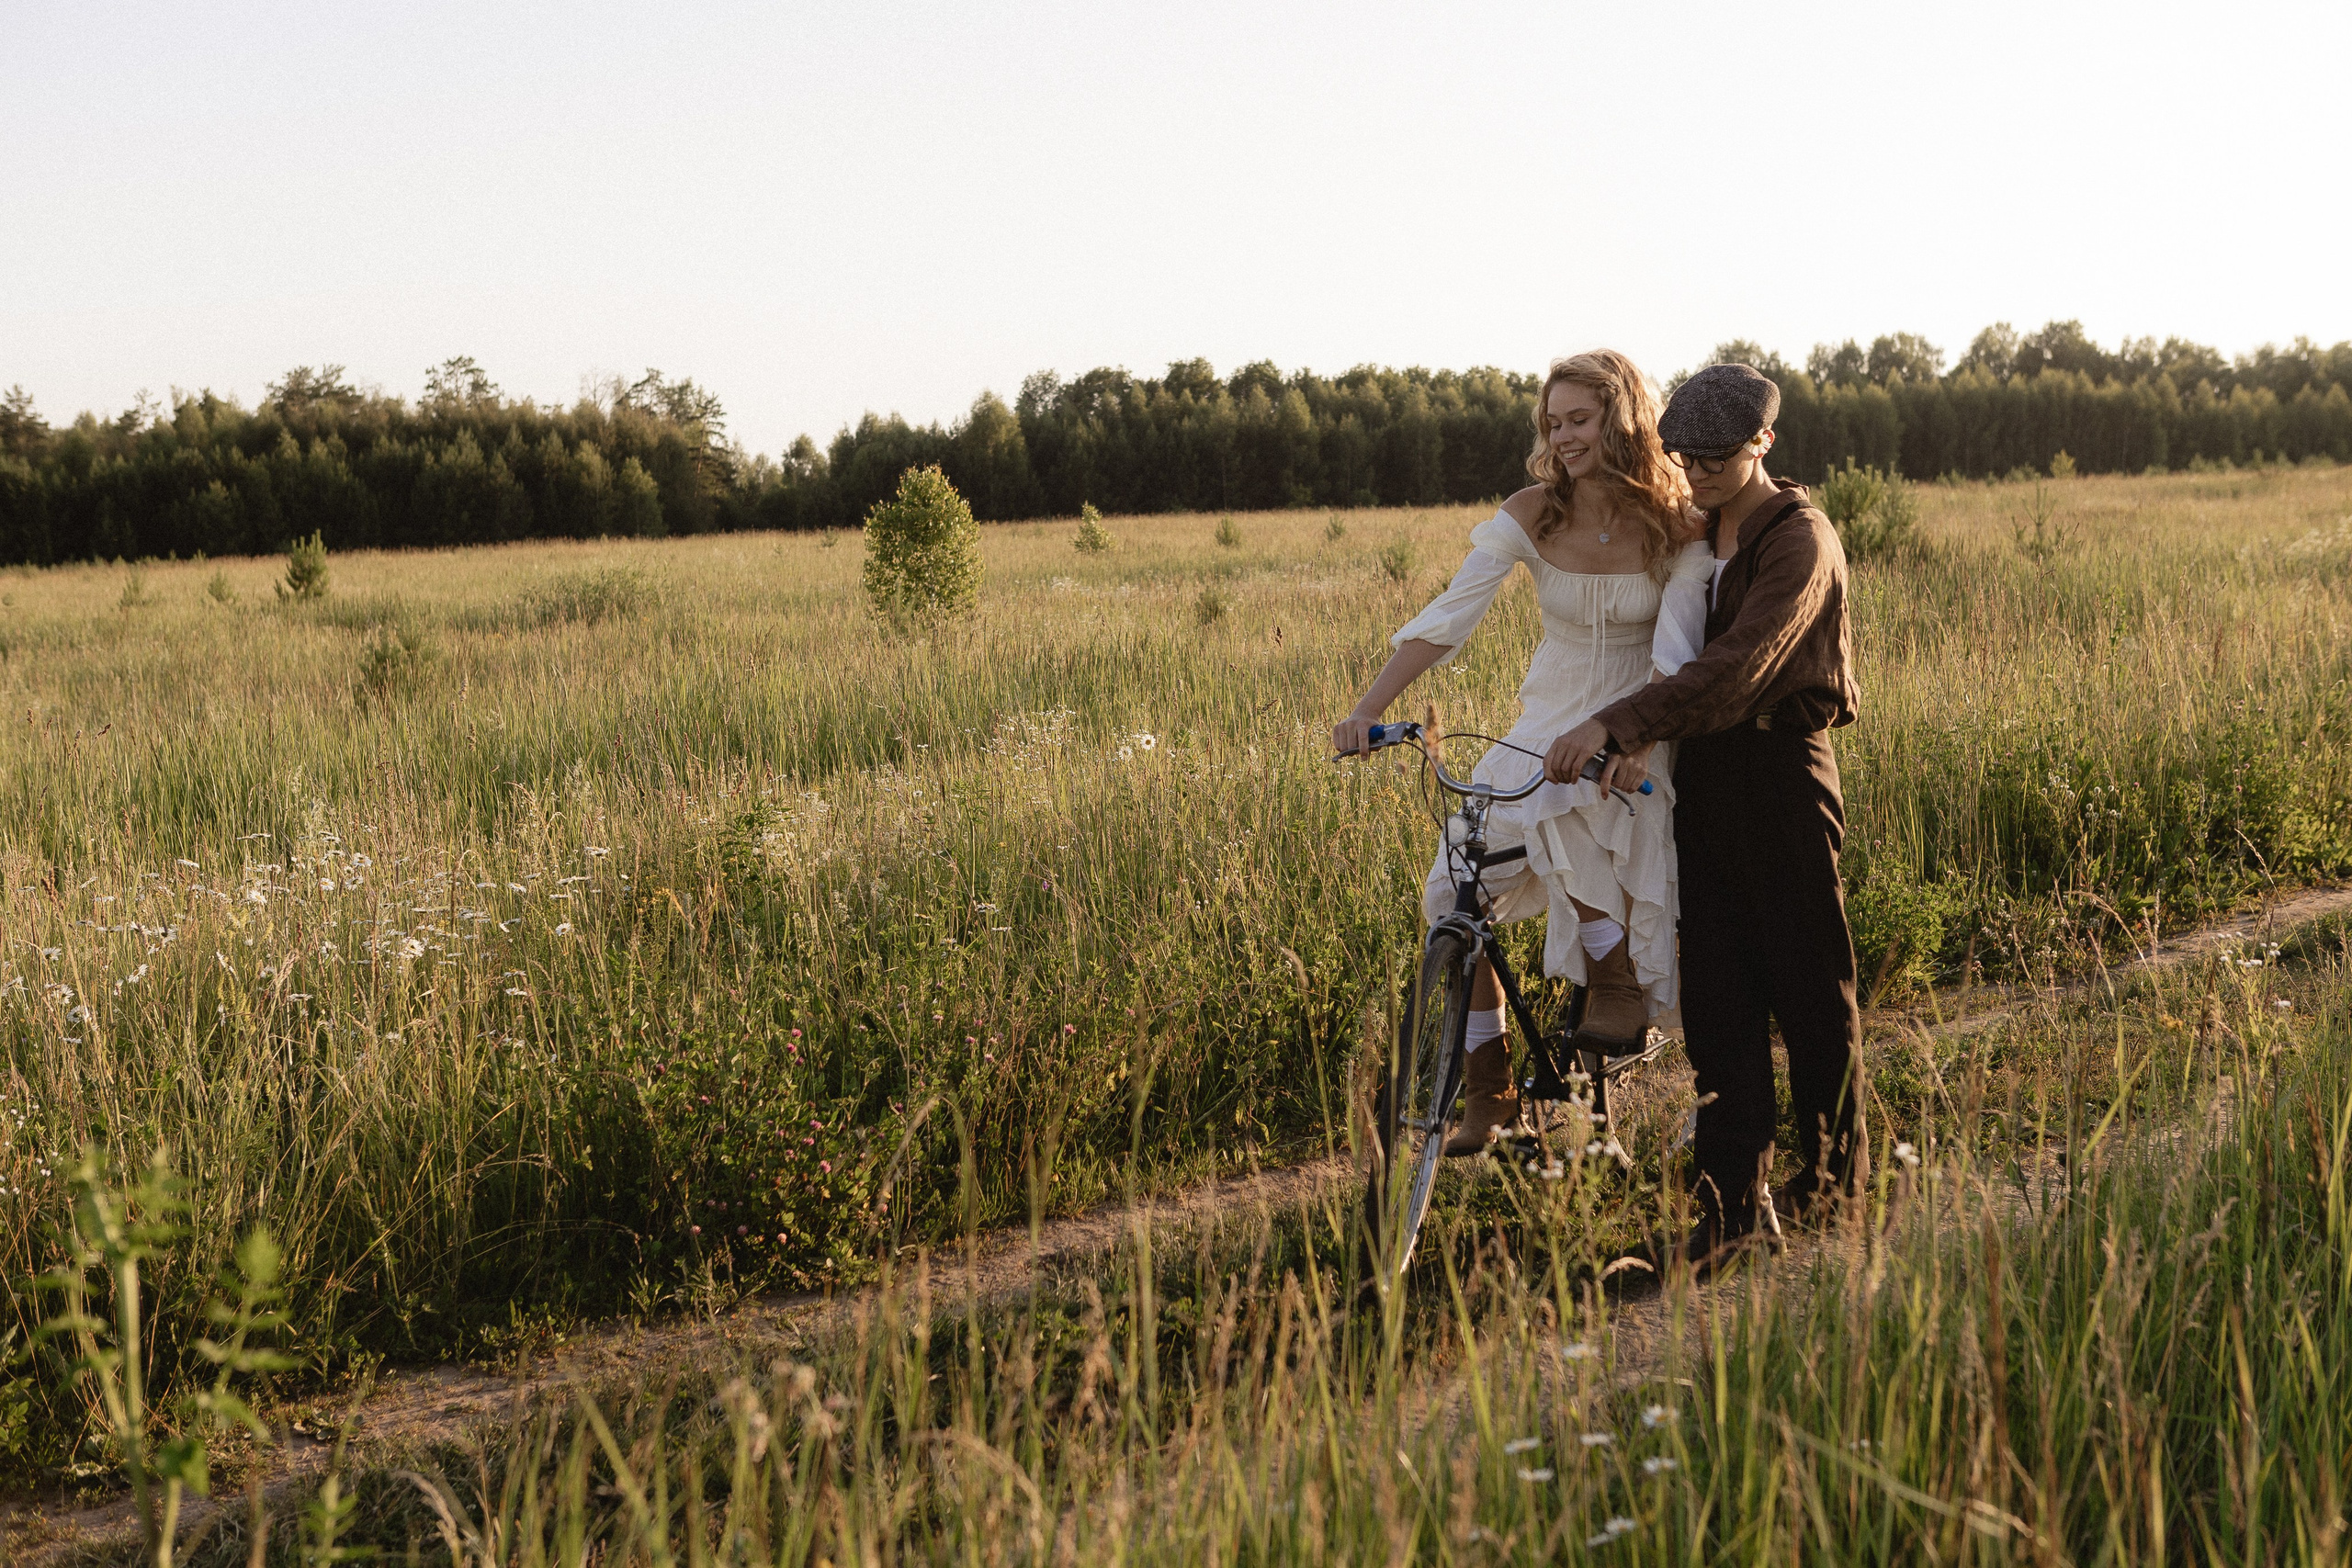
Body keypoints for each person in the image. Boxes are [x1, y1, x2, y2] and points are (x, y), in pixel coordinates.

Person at [1332, 350, 1713, 1155]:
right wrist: (1369, 709)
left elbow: (1678, 648)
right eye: (1553, 421)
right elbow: (1450, 615)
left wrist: (1638, 733)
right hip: (1544, 721)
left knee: (1561, 796)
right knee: (1455, 885)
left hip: (1635, 723)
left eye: (1580, 419)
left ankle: (1615, 979)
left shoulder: (1676, 522)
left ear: (1623, 420)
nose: (1562, 436)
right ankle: (1490, 1087)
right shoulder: (1534, 512)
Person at [1552, 362, 1867, 1270]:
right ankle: (1731, 1213)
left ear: (1764, 442)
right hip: (1703, 784)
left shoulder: (1799, 540)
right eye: (1683, 458)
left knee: (1810, 997)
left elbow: (1738, 666)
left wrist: (1619, 722)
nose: (1695, 473)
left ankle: (1834, 1182)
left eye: (1715, 459)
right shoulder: (1698, 527)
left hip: (1782, 776)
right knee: (1720, 1002)